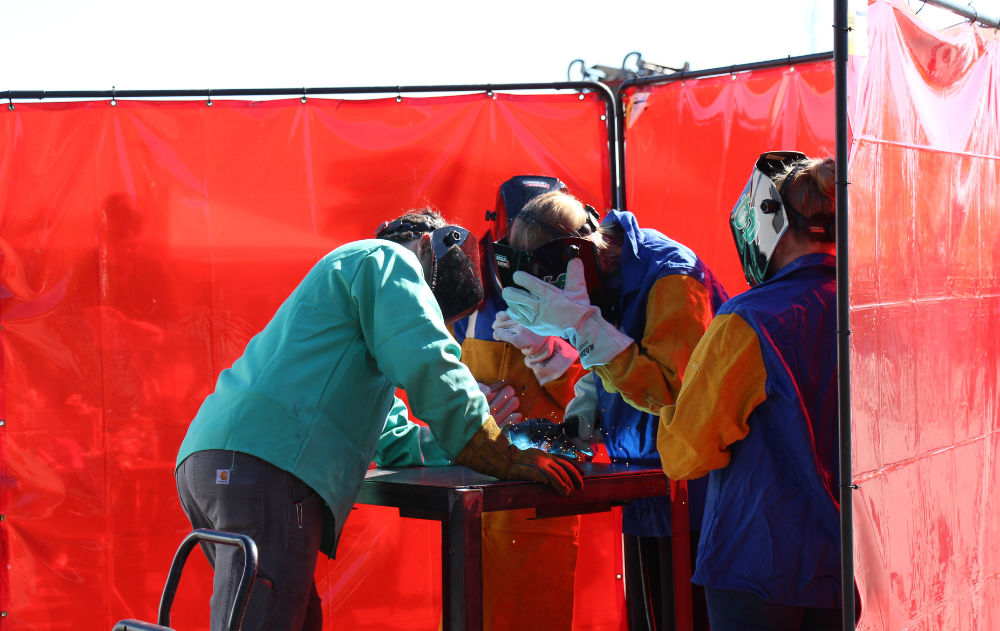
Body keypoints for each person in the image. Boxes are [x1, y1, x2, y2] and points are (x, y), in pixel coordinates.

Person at [175, 208, 584, 631]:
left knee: (291, 619)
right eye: (432, 314)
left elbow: (392, 439)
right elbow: (428, 360)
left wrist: (468, 440)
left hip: (219, 463)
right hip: (263, 467)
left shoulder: (347, 288)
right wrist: (491, 447)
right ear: (429, 247)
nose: (433, 324)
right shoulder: (387, 260)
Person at [500, 191, 728, 631]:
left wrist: (582, 327)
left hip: (701, 497)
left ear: (579, 258)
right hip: (648, 489)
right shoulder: (610, 278)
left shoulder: (672, 277)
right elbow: (613, 365)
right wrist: (573, 425)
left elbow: (674, 393)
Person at [656, 153, 846, 630]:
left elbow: (685, 455)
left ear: (770, 220)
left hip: (757, 564)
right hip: (854, 565)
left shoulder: (748, 319)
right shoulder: (872, 309)